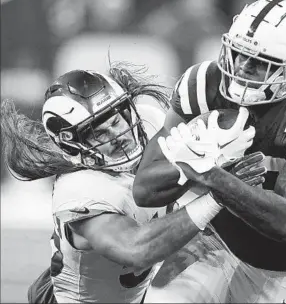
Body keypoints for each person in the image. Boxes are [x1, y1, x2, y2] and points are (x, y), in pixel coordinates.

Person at [133, 0, 286, 303]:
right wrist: (195, 167)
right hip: (210, 240)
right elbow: (144, 187)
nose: (243, 68)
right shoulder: (203, 85)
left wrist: (211, 173)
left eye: (261, 63)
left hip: (279, 269)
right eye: (239, 54)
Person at [1, 63, 265, 303]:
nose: (118, 134)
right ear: (74, 147)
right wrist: (215, 194)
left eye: (115, 119)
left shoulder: (149, 122)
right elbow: (137, 249)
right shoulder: (79, 187)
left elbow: (183, 180)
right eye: (98, 133)